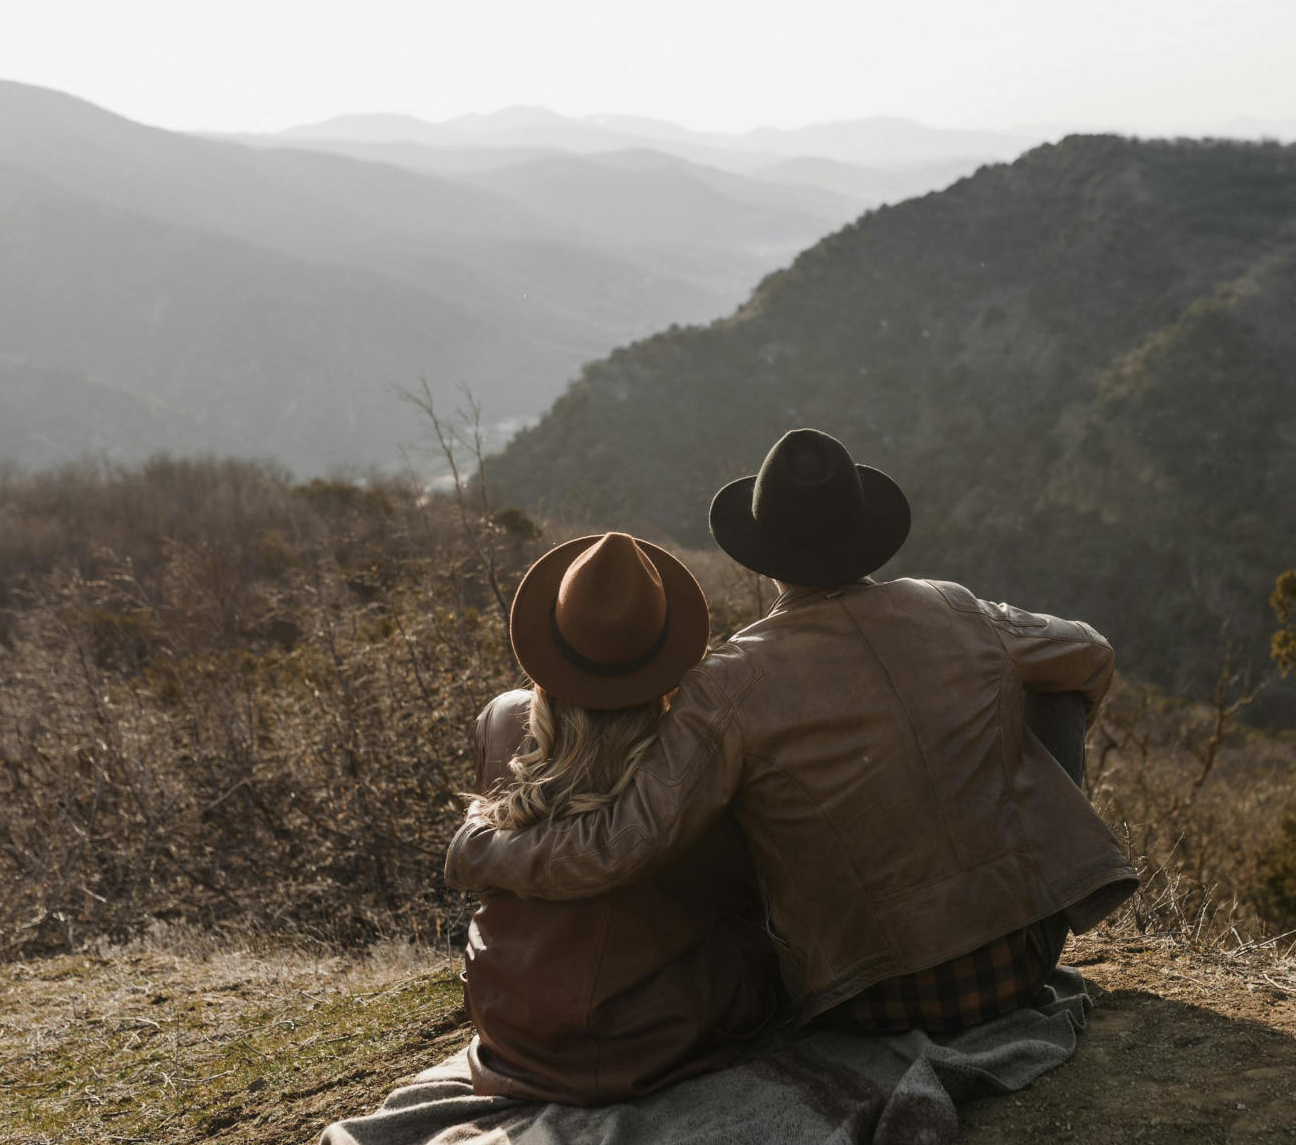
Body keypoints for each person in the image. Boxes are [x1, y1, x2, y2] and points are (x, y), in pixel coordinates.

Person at [447, 429, 1139, 1034]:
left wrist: (482, 848)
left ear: (762, 554)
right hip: (1024, 957)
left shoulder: (729, 683)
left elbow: (617, 846)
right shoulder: (955, 608)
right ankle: (1037, 877)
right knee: (1051, 686)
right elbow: (1091, 653)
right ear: (866, 531)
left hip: (869, 995)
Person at [458, 531, 781, 1105]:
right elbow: (741, 887)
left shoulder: (502, 722)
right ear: (665, 647)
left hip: (513, 1026)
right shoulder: (692, 755)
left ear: (550, 641)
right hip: (660, 1034)